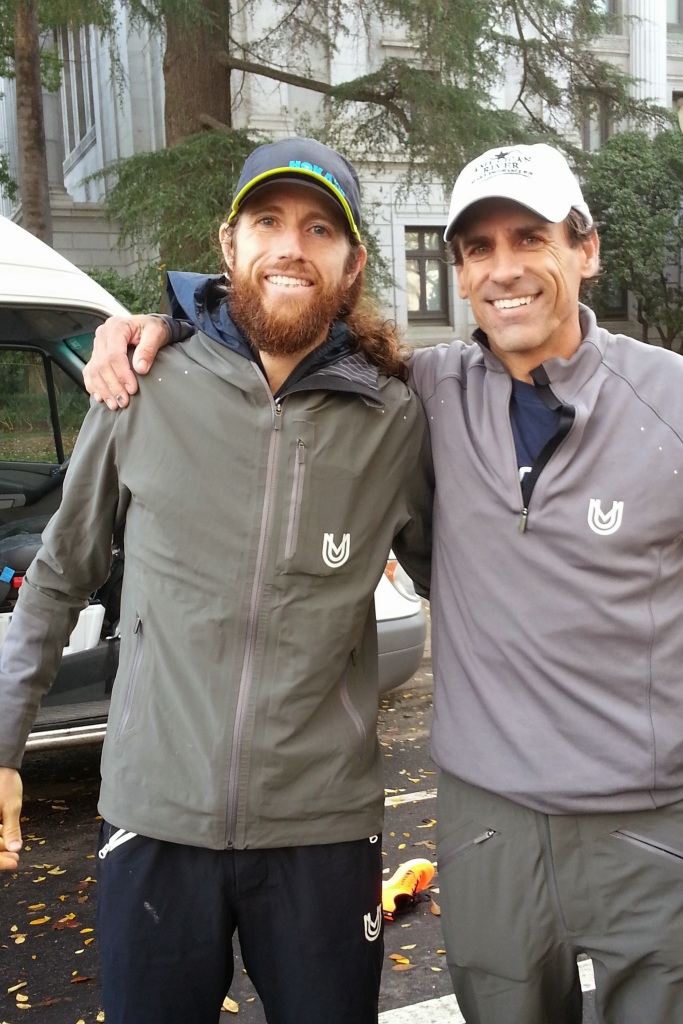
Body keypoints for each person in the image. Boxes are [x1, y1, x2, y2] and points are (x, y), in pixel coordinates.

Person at [72, 142, 683, 1024]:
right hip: (488, 832)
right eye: (478, 248)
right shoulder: (421, 394)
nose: (504, 269)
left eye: (531, 238)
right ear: (459, 270)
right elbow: (286, 344)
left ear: (586, 250)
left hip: (650, 830)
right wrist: (160, 325)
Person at [0, 137, 432, 1024]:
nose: (291, 247)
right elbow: (55, 580)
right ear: (229, 245)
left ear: (350, 267)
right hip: (154, 820)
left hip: (322, 833)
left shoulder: (396, 421)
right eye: (268, 222)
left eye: (320, 230)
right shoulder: (142, 388)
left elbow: (472, 589)